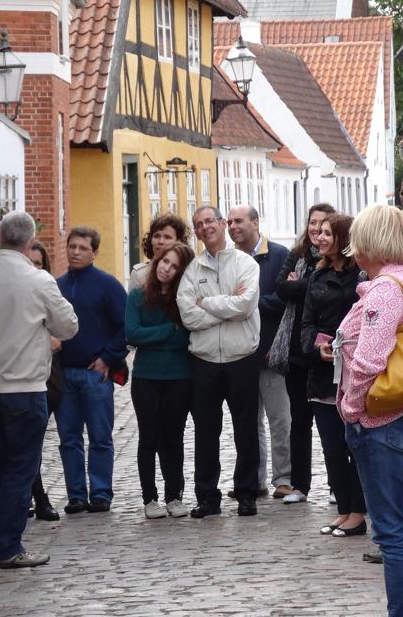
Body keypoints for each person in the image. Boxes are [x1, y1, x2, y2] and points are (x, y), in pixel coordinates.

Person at [337, 204, 403, 617]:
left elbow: (369, 360)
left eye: (357, 240)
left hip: (386, 419)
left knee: (395, 536)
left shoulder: (383, 289)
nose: (352, 249)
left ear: (371, 244)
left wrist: (350, 406)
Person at [0, 212, 78, 568]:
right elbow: (69, 327)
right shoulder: (38, 280)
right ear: (30, 242)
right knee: (20, 467)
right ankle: (7, 545)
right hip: (24, 386)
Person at [177, 206, 261, 517]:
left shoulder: (245, 264)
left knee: (246, 429)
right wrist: (225, 306)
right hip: (205, 360)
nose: (204, 228)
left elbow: (244, 305)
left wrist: (208, 304)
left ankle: (247, 492)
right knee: (206, 431)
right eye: (198, 225)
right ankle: (207, 496)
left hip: (242, 357)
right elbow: (188, 315)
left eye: (209, 221)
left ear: (222, 224)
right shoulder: (193, 270)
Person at [300, 213, 366, 537]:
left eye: (328, 233)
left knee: (354, 445)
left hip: (354, 373)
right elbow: (307, 323)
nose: (321, 237)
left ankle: (358, 511)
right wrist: (316, 348)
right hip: (322, 373)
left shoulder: (361, 276)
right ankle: (343, 510)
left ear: (344, 238)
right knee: (331, 447)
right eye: (319, 232)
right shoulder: (316, 275)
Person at [56, 226, 128, 514]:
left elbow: (126, 326)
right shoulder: (57, 285)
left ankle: (100, 493)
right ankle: (75, 495)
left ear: (94, 252)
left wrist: (107, 359)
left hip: (95, 373)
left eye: (82, 248)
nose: (75, 252)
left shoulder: (108, 285)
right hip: (64, 373)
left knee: (100, 436)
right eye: (72, 246)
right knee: (69, 438)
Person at [125, 241, 195, 519]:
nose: (167, 268)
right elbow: (132, 333)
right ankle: (149, 497)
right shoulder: (138, 296)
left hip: (179, 376)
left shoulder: (183, 301)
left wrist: (155, 335)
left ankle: (173, 496)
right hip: (146, 377)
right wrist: (167, 329)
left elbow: (185, 337)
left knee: (173, 437)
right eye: (165, 261)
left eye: (175, 266)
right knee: (149, 437)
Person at [227, 205, 292, 500]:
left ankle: (284, 478)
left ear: (255, 222)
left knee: (280, 420)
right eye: (229, 221)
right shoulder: (228, 260)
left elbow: (282, 300)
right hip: (240, 355)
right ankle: (254, 479)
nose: (232, 226)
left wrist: (245, 304)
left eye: (238, 220)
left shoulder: (278, 255)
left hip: (271, 353)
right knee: (248, 423)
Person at [273, 203, 336, 503]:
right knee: (300, 422)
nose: (317, 230)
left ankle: (339, 485)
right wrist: (304, 286)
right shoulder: (297, 255)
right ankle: (300, 485)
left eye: (324, 224)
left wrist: (302, 285)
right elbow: (280, 289)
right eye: (313, 223)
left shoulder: (340, 261)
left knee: (333, 423)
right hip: (297, 352)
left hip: (327, 351)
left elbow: (326, 291)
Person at [26, 240, 64, 522]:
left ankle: (35, 496)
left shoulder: (50, 292)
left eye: (39, 263)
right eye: (29, 262)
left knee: (36, 440)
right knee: (27, 442)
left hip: (50, 376)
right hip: (23, 377)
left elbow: (66, 329)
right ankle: (36, 496)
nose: (34, 268)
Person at [129, 213, 191, 290]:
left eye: (167, 237)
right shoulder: (140, 274)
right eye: (156, 236)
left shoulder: (189, 271)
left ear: (179, 241)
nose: (161, 241)